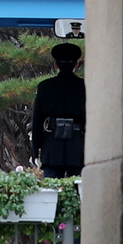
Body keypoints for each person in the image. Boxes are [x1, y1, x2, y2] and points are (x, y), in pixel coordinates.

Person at [32, 41, 85, 177]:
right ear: (76, 65)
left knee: (51, 191)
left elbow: (37, 122)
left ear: (56, 65)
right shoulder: (85, 86)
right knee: (78, 191)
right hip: (78, 145)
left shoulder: (45, 87)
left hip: (52, 145)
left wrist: (35, 150)